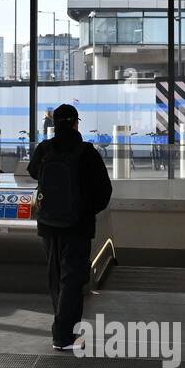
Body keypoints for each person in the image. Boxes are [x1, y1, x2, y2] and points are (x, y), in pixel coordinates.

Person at [27, 103, 112, 351]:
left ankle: (61, 328)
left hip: (48, 225)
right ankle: (64, 336)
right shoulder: (87, 153)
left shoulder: (45, 148)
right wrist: (85, 210)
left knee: (55, 278)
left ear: (55, 125)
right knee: (72, 279)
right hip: (77, 226)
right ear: (76, 123)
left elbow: (33, 173)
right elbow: (104, 191)